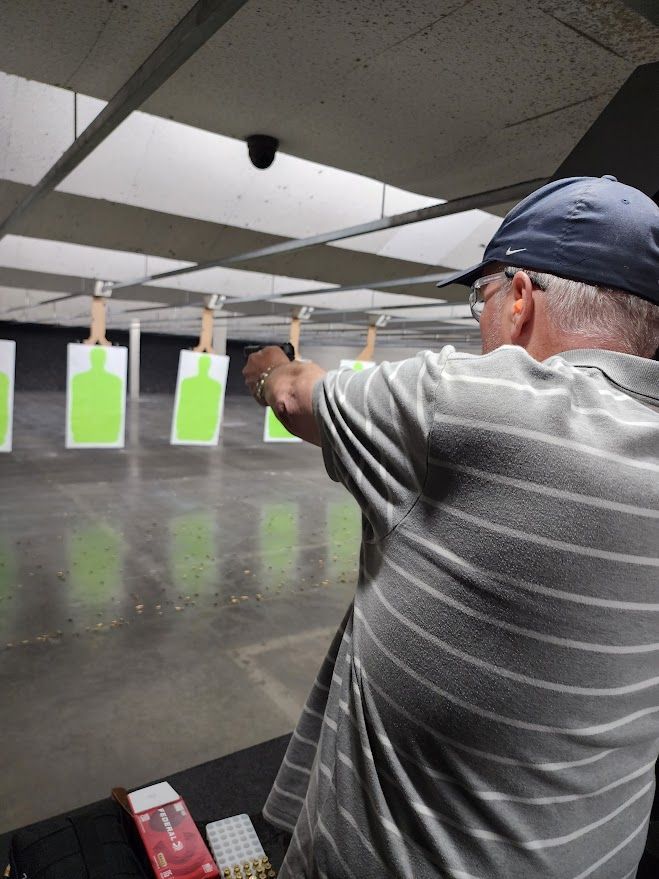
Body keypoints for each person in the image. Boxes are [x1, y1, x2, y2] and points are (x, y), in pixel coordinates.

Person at [243, 175, 659, 878]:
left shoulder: (461, 404)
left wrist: (270, 366)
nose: (479, 319)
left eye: (484, 296)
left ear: (521, 297)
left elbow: (293, 398)